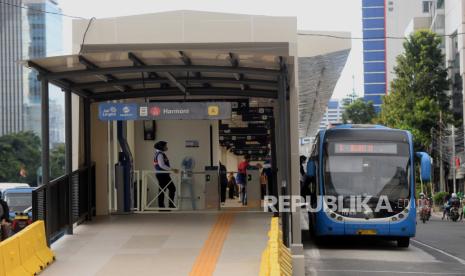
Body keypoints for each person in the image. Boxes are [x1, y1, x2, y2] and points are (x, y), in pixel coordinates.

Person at [154, 141, 178, 209]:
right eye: (165, 146)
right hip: (162, 175)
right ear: (161, 147)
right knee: (170, 189)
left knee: (163, 190)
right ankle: (166, 206)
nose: (166, 147)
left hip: (163, 174)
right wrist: (172, 169)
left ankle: (163, 206)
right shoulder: (160, 154)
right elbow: (162, 165)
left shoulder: (160, 154)